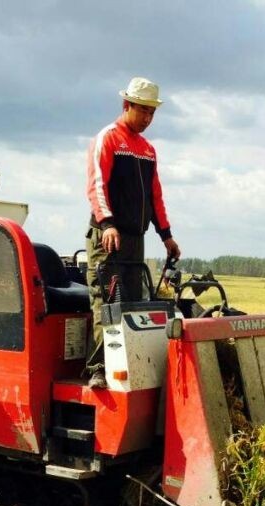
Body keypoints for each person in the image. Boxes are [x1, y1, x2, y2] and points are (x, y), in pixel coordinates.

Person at [85, 76, 181, 389]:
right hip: (108, 238)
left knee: (133, 304)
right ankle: (99, 368)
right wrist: (107, 223)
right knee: (108, 301)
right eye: (143, 110)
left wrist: (166, 235)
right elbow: (97, 185)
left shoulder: (148, 150)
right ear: (126, 105)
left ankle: (130, 366)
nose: (147, 118)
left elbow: (155, 197)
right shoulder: (108, 138)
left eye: (152, 112)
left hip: (135, 240)